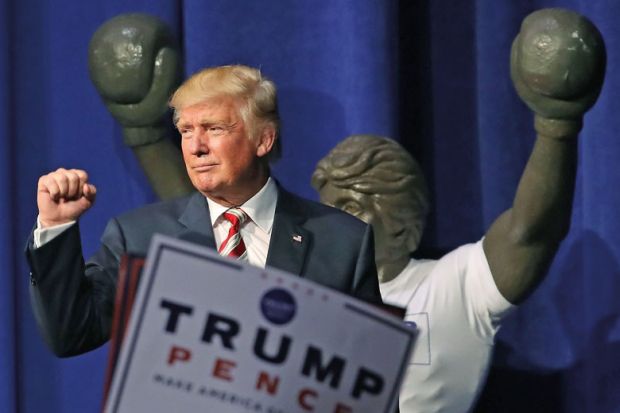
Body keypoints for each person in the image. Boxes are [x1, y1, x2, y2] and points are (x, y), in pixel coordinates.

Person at [312, 8, 606, 413]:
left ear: (402, 226)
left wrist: (556, 123)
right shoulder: (300, 296)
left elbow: (532, 232)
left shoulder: (456, 286)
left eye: (350, 207)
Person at [26, 65, 382, 357]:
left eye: (214, 129)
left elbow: (369, 377)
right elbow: (71, 335)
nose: (195, 147)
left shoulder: (343, 241)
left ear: (264, 139)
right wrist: (56, 226)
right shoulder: (139, 237)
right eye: (185, 131)